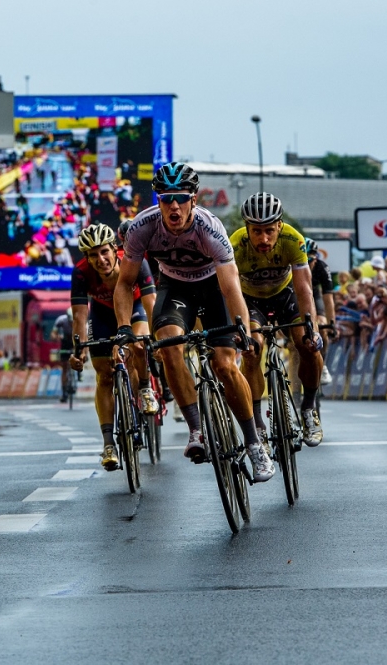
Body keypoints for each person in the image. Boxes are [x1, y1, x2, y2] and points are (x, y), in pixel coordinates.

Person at [112, 162, 275, 481]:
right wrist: (122, 328)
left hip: (214, 287)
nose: (174, 206)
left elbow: (231, 287)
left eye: (181, 198)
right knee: (169, 348)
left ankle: (255, 445)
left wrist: (242, 329)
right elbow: (124, 283)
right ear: (157, 200)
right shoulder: (142, 227)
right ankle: (197, 429)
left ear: (194, 200)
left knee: (226, 365)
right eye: (166, 198)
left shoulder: (209, 228)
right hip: (175, 288)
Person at [231, 193, 325, 447]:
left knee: (308, 345)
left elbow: (305, 288)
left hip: (286, 296)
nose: (263, 239)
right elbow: (229, 290)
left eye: (269, 231)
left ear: (279, 226)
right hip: (250, 302)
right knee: (252, 350)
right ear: (247, 228)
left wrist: (312, 329)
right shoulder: (235, 244)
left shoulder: (293, 239)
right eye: (257, 231)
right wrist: (239, 329)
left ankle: (308, 408)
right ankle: (258, 421)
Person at [68, 223, 157, 470]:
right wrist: (78, 351)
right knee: (104, 376)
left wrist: (157, 337)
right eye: (93, 255)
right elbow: (79, 316)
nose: (101, 259)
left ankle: (145, 389)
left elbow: (151, 303)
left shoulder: (134, 261)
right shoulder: (81, 273)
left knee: (138, 346)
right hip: (103, 315)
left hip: (136, 306)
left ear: (114, 249)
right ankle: (109, 443)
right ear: (86, 258)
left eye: (105, 252)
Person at [306, 238, 338, 383]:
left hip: (314, 295)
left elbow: (328, 298)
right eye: (305, 261)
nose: (308, 265)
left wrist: (332, 323)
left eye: (311, 260)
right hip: (295, 295)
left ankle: (323, 365)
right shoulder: (292, 267)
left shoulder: (322, 267)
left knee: (323, 326)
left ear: (316, 258)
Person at [51, 307, 74, 402]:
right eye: (70, 321)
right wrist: (56, 337)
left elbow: (84, 337)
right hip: (65, 342)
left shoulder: (80, 321)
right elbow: (53, 334)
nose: (71, 324)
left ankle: (78, 375)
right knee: (64, 367)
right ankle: (64, 392)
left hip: (75, 341)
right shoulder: (61, 320)